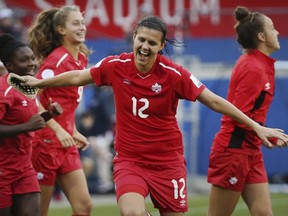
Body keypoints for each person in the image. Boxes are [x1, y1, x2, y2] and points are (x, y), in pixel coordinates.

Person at [22, 15, 288, 216]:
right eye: (141, 40)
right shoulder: (116, 65)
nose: (145, 47)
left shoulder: (174, 74)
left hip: (167, 162)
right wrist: (38, 83)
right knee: (132, 212)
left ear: (161, 46)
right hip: (130, 159)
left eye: (152, 43)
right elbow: (78, 76)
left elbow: (215, 102)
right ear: (135, 37)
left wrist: (257, 127)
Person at [206, 6, 287, 216]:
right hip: (234, 151)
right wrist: (261, 131)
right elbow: (239, 114)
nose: (277, 33)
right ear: (261, 36)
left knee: (264, 213)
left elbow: (249, 114)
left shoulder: (261, 64)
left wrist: (265, 133)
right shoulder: (253, 68)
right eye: (272, 28)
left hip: (250, 151)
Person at [27, 5, 92, 216]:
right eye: (75, 23)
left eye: (82, 22)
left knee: (83, 207)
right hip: (44, 143)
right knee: (39, 212)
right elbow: (30, 97)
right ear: (61, 30)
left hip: (66, 143)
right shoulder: (56, 61)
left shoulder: (81, 57)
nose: (82, 27)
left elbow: (65, 102)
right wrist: (57, 129)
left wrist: (71, 130)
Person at [0, 34, 62, 216]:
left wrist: (49, 114)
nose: (31, 63)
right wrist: (27, 126)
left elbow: (24, 122)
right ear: (9, 66)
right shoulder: (4, 91)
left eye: (32, 58)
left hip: (24, 168)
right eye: (24, 60)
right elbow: (26, 125)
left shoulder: (27, 88)